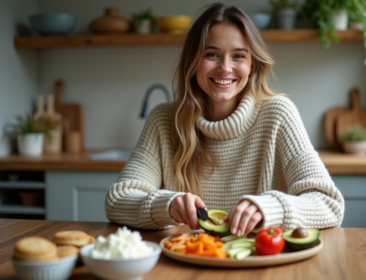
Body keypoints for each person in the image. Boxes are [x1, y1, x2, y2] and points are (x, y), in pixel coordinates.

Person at [105, 3, 344, 236]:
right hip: (187, 265)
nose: (225, 68)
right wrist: (168, 204)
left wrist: (271, 208)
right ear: (193, 62)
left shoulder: (279, 114)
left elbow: (329, 204)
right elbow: (117, 200)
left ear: (252, 66)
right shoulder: (163, 120)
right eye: (212, 54)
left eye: (238, 56)